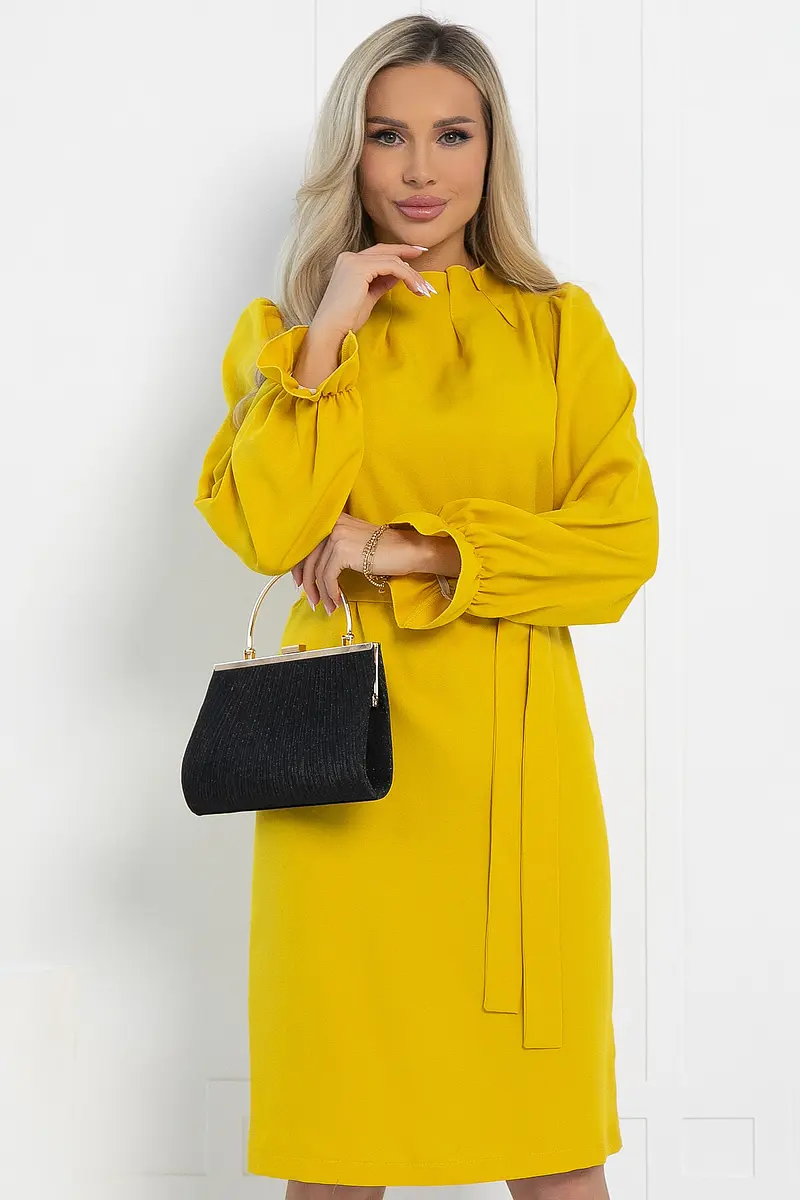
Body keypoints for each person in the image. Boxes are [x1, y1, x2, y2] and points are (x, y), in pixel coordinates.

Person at [193, 13, 659, 1200]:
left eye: (451, 134)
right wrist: (328, 337)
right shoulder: (285, 340)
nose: (418, 167)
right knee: (336, 1153)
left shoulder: (555, 329)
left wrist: (405, 549)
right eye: (385, 134)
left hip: (513, 784)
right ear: (348, 153)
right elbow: (266, 529)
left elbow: (618, 546)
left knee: (553, 1155)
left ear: (491, 150)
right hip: (344, 782)